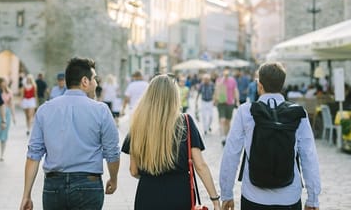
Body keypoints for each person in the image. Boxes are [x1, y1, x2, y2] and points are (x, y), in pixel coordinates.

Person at [20, 57, 120, 210]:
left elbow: (33, 154)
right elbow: (112, 152)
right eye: (94, 79)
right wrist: (113, 179)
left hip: (53, 187)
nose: (96, 84)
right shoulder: (101, 111)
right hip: (88, 185)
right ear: (85, 81)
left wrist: (26, 195)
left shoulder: (45, 110)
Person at [219, 62, 321, 210]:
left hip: (253, 197)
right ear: (282, 85)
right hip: (289, 198)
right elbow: (309, 156)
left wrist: (227, 193)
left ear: (259, 85)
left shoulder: (246, 112)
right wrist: (313, 198)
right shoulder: (299, 113)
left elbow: (231, 154)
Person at [122, 75, 221, 210]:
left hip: (147, 195)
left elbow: (133, 171)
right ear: (174, 96)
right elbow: (200, 165)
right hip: (179, 195)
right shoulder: (185, 122)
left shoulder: (138, 125)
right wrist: (215, 199)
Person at [213, 68, 239, 145]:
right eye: (225, 73)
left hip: (230, 103)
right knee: (222, 120)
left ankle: (227, 135)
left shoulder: (233, 80)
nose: (226, 75)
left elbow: (235, 90)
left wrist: (237, 101)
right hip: (221, 102)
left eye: (227, 73)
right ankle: (223, 136)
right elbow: (216, 89)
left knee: (228, 121)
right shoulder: (219, 80)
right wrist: (214, 100)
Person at [0, 77, 16, 161]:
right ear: (0, 83)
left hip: (7, 113)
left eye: (6, 82)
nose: (5, 83)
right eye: (3, 82)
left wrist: (14, 116)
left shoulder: (9, 92)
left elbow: (11, 104)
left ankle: (2, 155)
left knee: (4, 134)